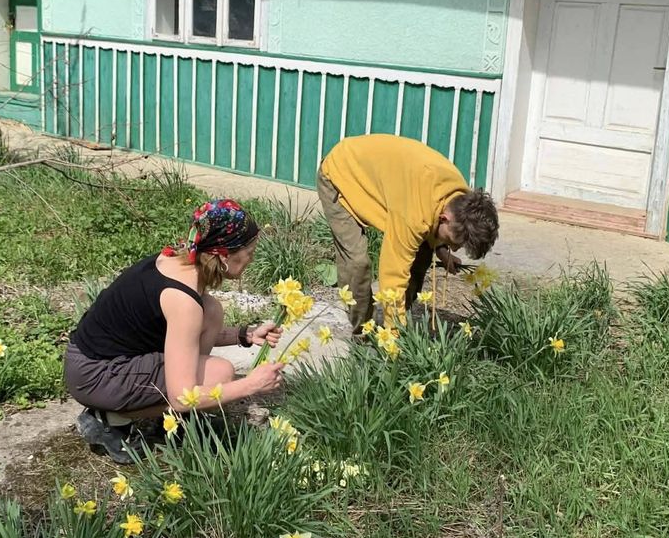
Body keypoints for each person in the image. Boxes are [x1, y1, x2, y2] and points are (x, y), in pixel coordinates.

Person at [66, 198, 285, 463]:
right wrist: (250, 385)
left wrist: (245, 334)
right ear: (224, 256)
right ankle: (110, 418)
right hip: (95, 374)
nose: (252, 258)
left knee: (211, 309)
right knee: (220, 374)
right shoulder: (183, 300)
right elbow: (183, 397)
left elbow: (183, 337)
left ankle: (172, 421)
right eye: (249, 252)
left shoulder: (178, 264)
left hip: (98, 359)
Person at [316, 133, 499, 333]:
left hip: (380, 179)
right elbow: (392, 277)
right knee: (357, 264)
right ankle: (363, 333)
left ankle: (402, 316)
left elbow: (434, 218)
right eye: (454, 242)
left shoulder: (457, 195)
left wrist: (440, 247)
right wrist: (393, 337)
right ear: (445, 218)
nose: (456, 248)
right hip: (341, 175)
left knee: (422, 252)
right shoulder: (413, 214)